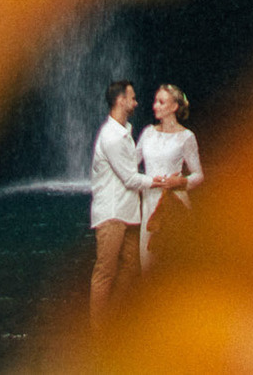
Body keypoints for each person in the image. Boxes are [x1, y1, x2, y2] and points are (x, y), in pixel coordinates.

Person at [88, 80, 152, 328]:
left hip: (127, 212)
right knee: (105, 272)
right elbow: (129, 177)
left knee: (131, 268)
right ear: (120, 100)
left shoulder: (125, 131)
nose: (136, 103)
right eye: (132, 98)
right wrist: (159, 181)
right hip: (112, 213)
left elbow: (130, 167)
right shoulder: (111, 136)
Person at [134, 83, 204, 272]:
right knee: (148, 267)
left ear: (174, 107)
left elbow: (198, 175)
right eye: (155, 101)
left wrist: (182, 181)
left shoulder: (186, 137)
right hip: (150, 205)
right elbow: (130, 163)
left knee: (172, 268)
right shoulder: (148, 133)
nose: (155, 105)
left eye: (161, 102)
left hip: (173, 203)